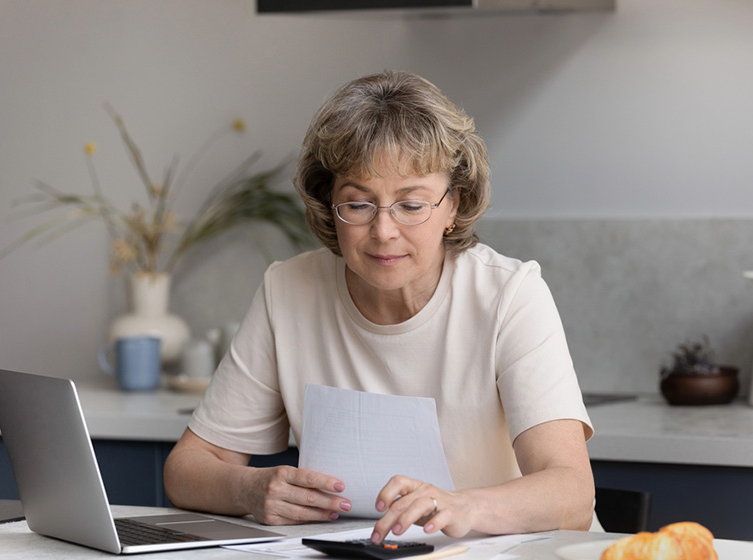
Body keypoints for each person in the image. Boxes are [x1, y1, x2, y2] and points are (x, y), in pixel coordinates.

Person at [164, 70, 597, 541]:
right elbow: (186, 469)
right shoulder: (287, 290)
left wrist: (461, 506)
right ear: (329, 203)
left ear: (455, 204)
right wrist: (249, 489)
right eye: (358, 204)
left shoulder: (509, 294)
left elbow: (572, 493)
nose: (384, 231)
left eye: (411, 205)